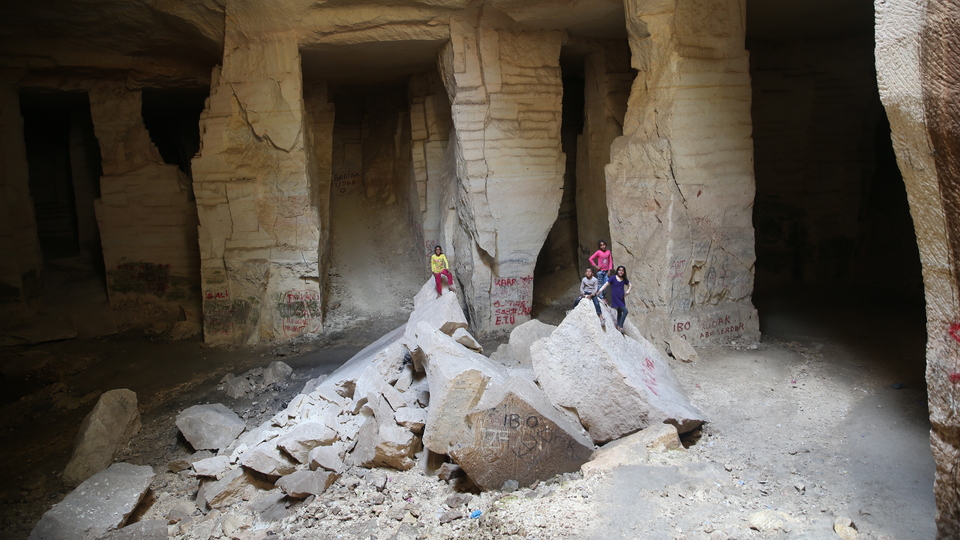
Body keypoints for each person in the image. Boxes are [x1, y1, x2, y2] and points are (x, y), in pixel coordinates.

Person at [598, 265, 631, 332]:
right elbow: (605, 285)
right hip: (616, 298)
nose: (621, 272)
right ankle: (620, 326)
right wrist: (599, 291)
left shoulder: (624, 279)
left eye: (622, 270)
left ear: (624, 272)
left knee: (620, 311)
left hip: (621, 297)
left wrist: (628, 291)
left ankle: (618, 326)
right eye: (619, 270)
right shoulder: (613, 278)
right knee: (625, 311)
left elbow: (630, 285)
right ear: (617, 271)